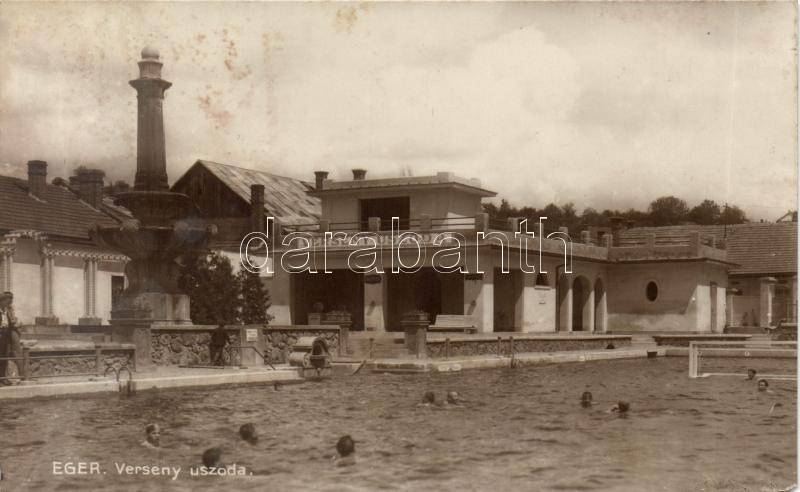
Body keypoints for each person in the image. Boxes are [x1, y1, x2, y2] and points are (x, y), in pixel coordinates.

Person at [0, 292, 20, 386]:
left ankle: (3, 378)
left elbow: (10, 323)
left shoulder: (6, 311)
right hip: (1, 334)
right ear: (1, 301)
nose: (8, 304)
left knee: (4, 356)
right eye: (6, 301)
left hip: (6, 336)